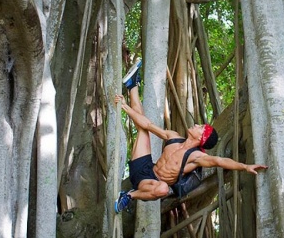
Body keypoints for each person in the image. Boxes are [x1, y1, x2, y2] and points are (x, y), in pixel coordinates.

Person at [114, 60, 267, 213]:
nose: (196, 125)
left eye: (200, 127)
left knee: (163, 189)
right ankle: (132, 85)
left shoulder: (195, 157)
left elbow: (220, 161)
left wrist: (245, 166)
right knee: (143, 129)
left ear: (202, 138)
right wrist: (124, 107)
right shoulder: (173, 137)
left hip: (150, 184)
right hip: (144, 167)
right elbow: (147, 125)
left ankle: (128, 196)